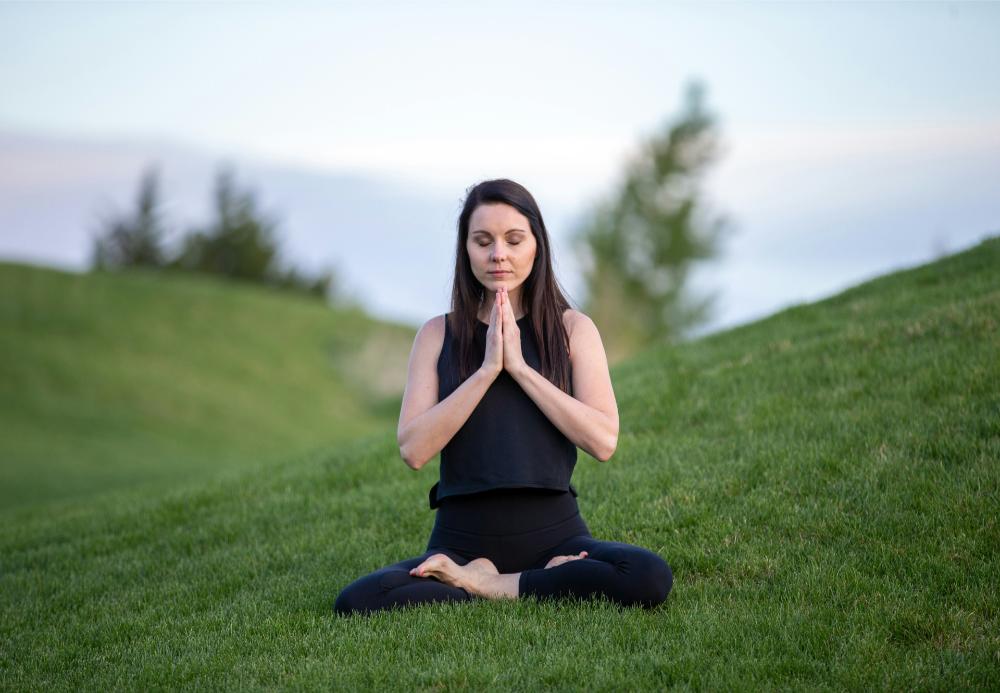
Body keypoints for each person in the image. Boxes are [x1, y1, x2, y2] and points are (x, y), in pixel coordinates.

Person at [333, 179, 672, 615]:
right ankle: (516, 579)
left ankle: (489, 585)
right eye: (483, 241)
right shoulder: (436, 335)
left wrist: (521, 369)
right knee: (357, 601)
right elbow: (413, 449)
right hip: (460, 542)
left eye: (514, 239)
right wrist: (489, 368)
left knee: (647, 575)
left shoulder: (573, 330)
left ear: (537, 245)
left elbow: (603, 441)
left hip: (557, 536)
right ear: (466, 249)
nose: (499, 254)